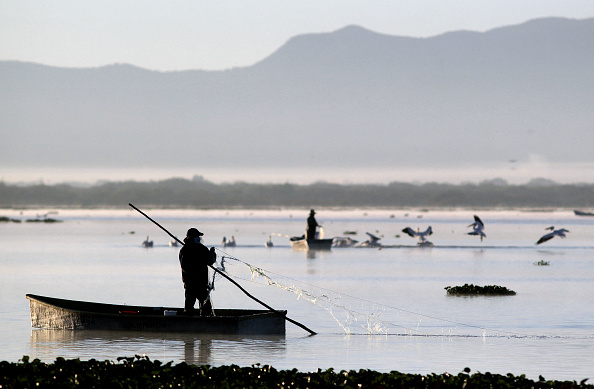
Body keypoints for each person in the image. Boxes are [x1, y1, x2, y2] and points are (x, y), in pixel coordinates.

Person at [179, 227, 216, 316]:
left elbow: (210, 261)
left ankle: (206, 322)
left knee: (206, 307)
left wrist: (212, 254)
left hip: (202, 283)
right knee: (189, 306)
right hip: (190, 283)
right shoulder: (185, 250)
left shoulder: (202, 249)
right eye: (197, 236)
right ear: (190, 237)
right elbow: (185, 266)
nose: (198, 238)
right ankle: (189, 324)